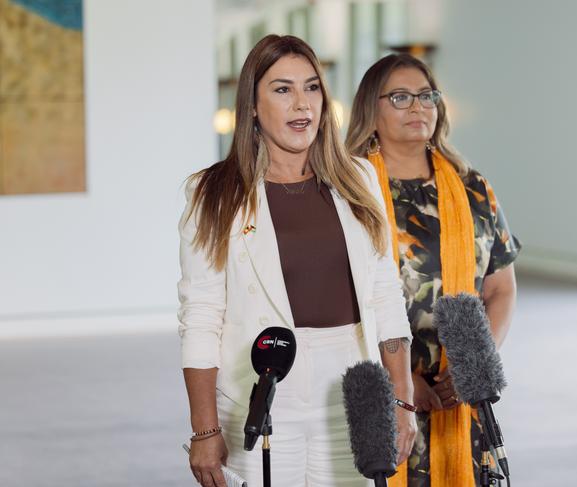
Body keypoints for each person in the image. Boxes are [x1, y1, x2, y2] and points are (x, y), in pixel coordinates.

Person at [177, 35, 417, 487]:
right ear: (251, 104)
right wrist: (204, 429)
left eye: (311, 88)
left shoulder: (360, 177)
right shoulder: (211, 192)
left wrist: (402, 399)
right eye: (282, 89)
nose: (301, 104)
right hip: (260, 394)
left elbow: (386, 293)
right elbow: (201, 315)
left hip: (352, 389)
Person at [346, 54, 521, 487]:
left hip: (457, 395)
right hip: (378, 393)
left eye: (427, 96)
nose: (418, 107)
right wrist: (401, 380)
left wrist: (471, 368)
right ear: (371, 109)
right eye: (401, 97)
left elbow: (501, 289)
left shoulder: (472, 187)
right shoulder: (347, 190)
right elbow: (339, 300)